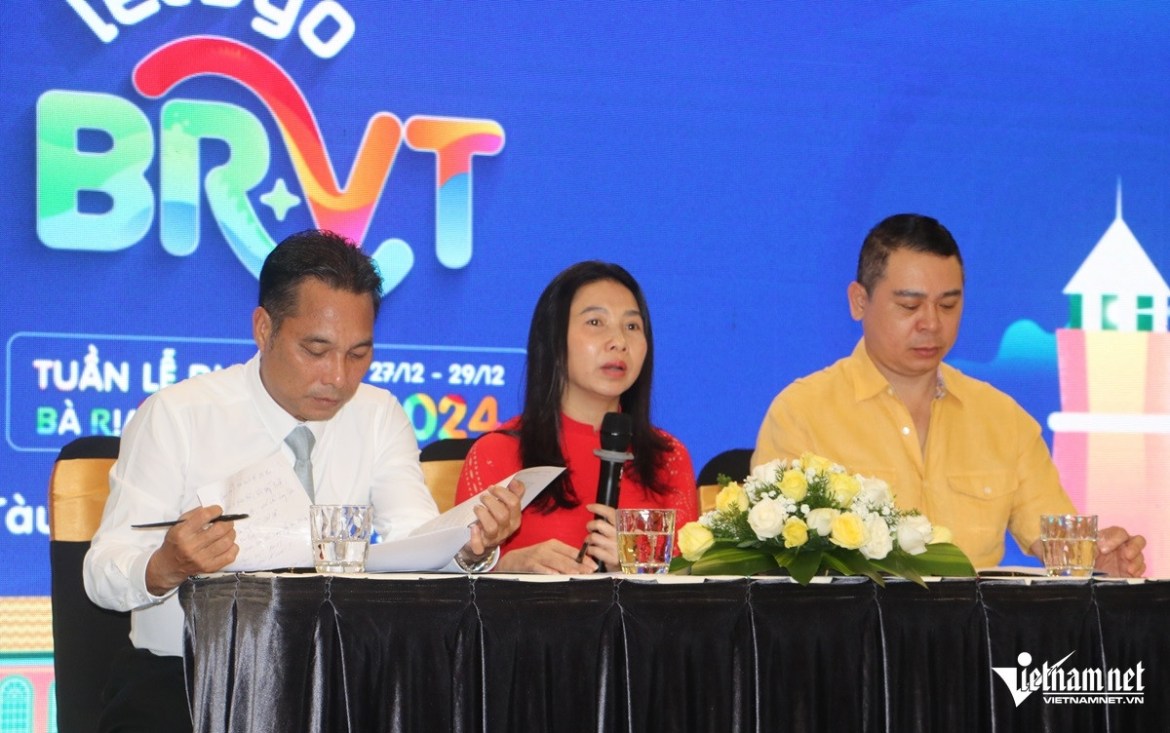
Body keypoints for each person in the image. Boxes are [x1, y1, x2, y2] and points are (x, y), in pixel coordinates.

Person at [83, 229, 522, 732]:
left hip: (339, 684)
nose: (338, 377)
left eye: (358, 354)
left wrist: (466, 547)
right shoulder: (177, 416)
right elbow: (101, 571)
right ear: (264, 328)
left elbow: (413, 541)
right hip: (190, 684)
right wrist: (165, 566)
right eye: (316, 350)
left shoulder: (378, 415)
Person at [752, 213, 1146, 575]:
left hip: (975, 627)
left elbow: (1058, 543)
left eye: (947, 304)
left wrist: (1098, 562)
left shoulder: (1003, 419)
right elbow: (775, 567)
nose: (931, 323)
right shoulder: (802, 413)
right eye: (909, 305)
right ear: (859, 301)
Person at [455, 261, 698, 573]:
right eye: (596, 322)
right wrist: (505, 567)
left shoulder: (669, 458)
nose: (619, 342)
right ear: (554, 339)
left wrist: (639, 567)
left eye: (632, 326)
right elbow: (460, 580)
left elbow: (691, 583)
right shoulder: (496, 453)